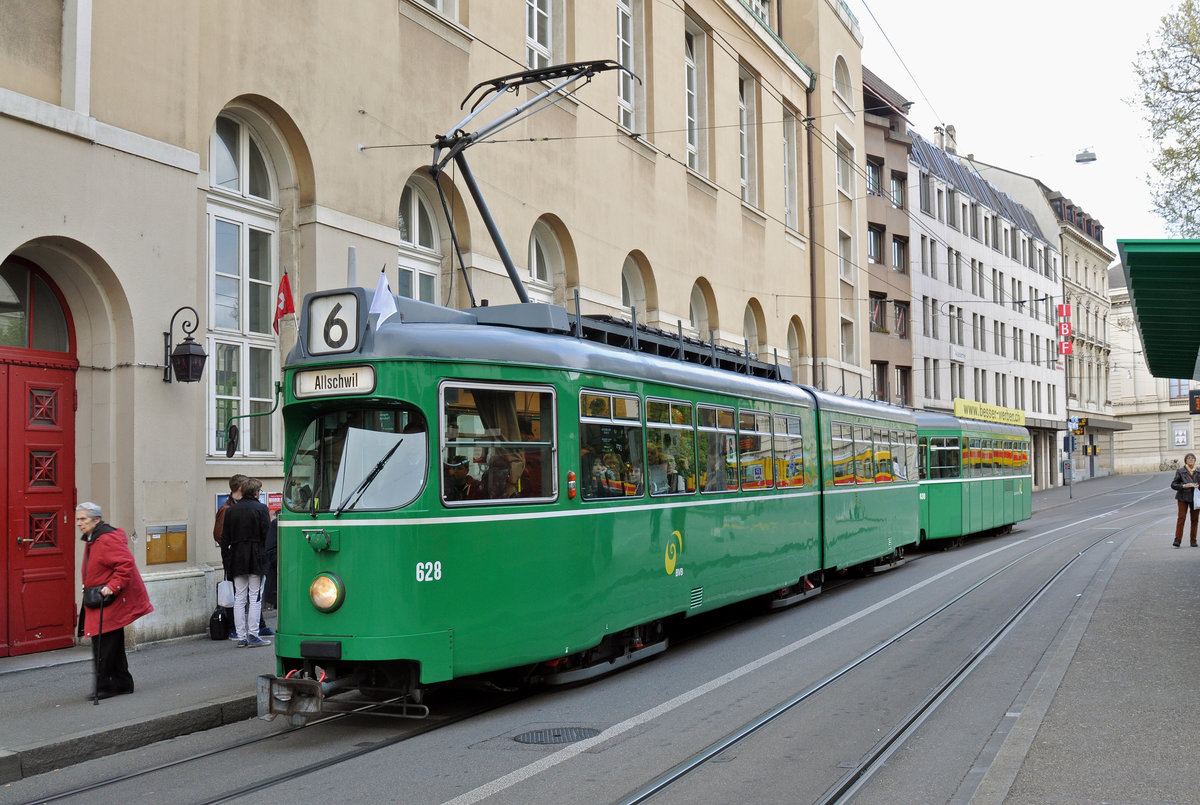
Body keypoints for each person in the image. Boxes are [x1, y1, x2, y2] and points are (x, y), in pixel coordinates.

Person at [76, 502, 153, 700]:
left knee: (103, 643)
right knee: (110, 643)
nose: (79, 523)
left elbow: (125, 564)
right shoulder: (95, 537)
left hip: (107, 600)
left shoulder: (106, 538)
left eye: (83, 519)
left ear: (96, 519)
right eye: (78, 519)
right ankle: (121, 682)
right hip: (100, 599)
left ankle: (107, 685)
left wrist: (112, 586)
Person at [222, 478, 272, 647]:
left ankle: (242, 636)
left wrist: (227, 562)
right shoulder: (261, 509)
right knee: (255, 597)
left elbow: (225, 539)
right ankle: (253, 634)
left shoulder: (231, 511)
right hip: (256, 557)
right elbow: (267, 536)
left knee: (240, 598)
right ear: (256, 492)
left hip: (237, 558)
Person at [1170, 452, 1200, 547]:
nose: (1191, 460)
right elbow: (1173, 485)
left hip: (1195, 498)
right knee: (1181, 518)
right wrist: (1183, 486)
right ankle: (1177, 540)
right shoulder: (1180, 471)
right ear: (1185, 461)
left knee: (1195, 519)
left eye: (1192, 458)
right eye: (1188, 458)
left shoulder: (1199, 471)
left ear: (1195, 460)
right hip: (1183, 497)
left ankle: (1193, 540)